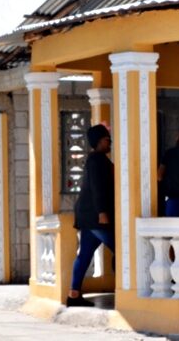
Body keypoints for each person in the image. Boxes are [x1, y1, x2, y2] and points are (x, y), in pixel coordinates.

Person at [67, 124, 115, 307]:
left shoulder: (98, 159)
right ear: (98, 141)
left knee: (84, 255)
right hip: (94, 216)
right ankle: (128, 290)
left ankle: (73, 294)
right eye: (106, 139)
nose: (109, 141)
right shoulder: (97, 160)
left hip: (88, 216)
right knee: (121, 249)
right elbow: (97, 189)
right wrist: (102, 212)